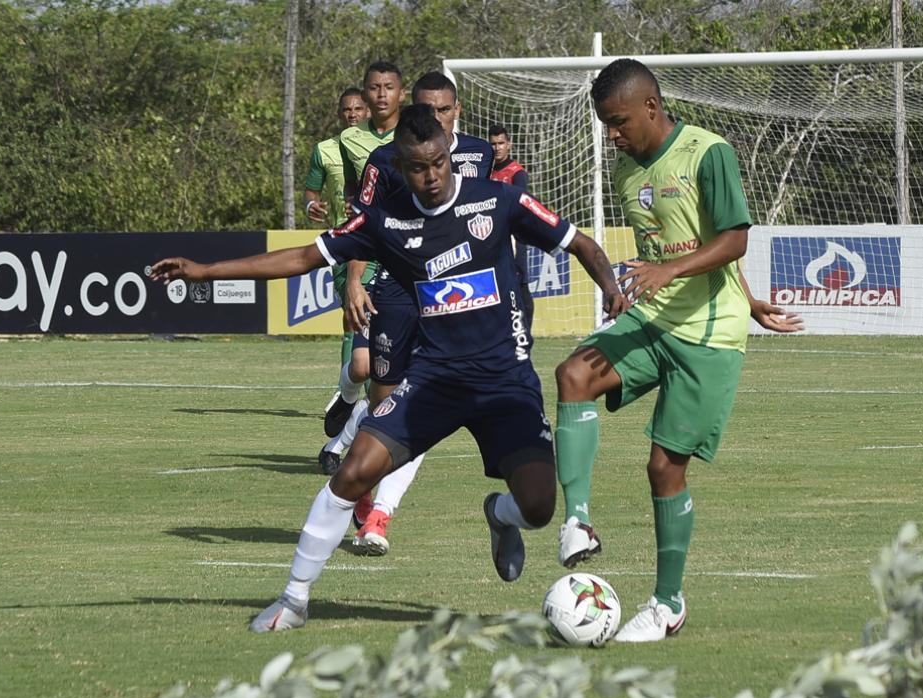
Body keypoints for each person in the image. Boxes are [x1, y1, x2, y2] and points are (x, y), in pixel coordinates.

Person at [149, 104, 627, 633]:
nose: (431, 176)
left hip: (504, 381)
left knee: (537, 507)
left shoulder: (498, 199)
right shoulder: (383, 221)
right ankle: (293, 600)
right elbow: (302, 258)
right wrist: (205, 271)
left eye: (439, 163)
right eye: (418, 167)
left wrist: (609, 286)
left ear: (449, 153)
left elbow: (577, 241)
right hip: (434, 379)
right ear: (400, 165)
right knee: (353, 472)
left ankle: (500, 514)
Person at [552, 58, 801, 644]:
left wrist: (728, 297)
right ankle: (579, 523)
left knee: (664, 469)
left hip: (709, 338)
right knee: (572, 375)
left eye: (617, 122)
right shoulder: (624, 172)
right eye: (604, 124)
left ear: (651, 108)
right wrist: (745, 296)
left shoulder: (707, 152)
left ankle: (668, 604)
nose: (611, 134)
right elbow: (674, 247)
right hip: (654, 320)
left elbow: (733, 237)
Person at [323, 70, 495, 556]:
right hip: (396, 293)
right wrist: (354, 281)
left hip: (450, 298)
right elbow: (364, 227)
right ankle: (359, 489)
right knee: (384, 410)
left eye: (442, 110)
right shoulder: (384, 161)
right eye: (424, 109)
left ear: (456, 110)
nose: (433, 118)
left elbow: (489, 222)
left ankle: (379, 516)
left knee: (418, 411)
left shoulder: (479, 156)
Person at [320, 62, 406, 440]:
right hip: (367, 253)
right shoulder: (350, 140)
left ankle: (348, 447)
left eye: (389, 87)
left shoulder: (418, 133)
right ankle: (346, 397)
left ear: (402, 93)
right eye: (375, 88)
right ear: (366, 96)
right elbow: (356, 197)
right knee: (360, 365)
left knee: (389, 376)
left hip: (409, 261)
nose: (382, 94)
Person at [488, 124, 535, 332]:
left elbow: (520, 206)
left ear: (509, 144)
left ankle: (524, 334)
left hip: (514, 239)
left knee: (520, 286)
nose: (497, 148)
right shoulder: (485, 172)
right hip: (491, 240)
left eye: (501, 143)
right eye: (493, 144)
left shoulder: (517, 173)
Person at [303, 88, 369, 226]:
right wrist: (311, 205)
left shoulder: (384, 145)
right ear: (339, 114)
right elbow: (312, 192)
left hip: (377, 232)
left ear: (368, 112)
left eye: (358, 109)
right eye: (346, 110)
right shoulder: (323, 149)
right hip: (343, 232)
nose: (352, 114)